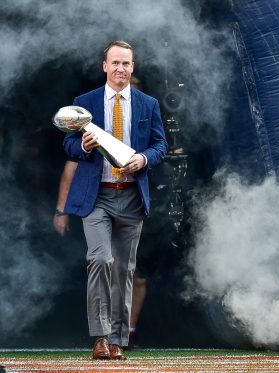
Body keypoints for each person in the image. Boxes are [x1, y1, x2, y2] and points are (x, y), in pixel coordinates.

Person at [62, 40, 167, 360]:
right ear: (104, 66)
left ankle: (119, 339)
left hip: (132, 196)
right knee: (100, 259)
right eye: (115, 63)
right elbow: (68, 146)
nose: (121, 69)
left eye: (127, 63)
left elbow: (160, 145)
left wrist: (144, 160)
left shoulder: (148, 104)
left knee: (123, 269)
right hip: (96, 197)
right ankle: (100, 337)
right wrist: (85, 147)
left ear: (133, 67)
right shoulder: (84, 102)